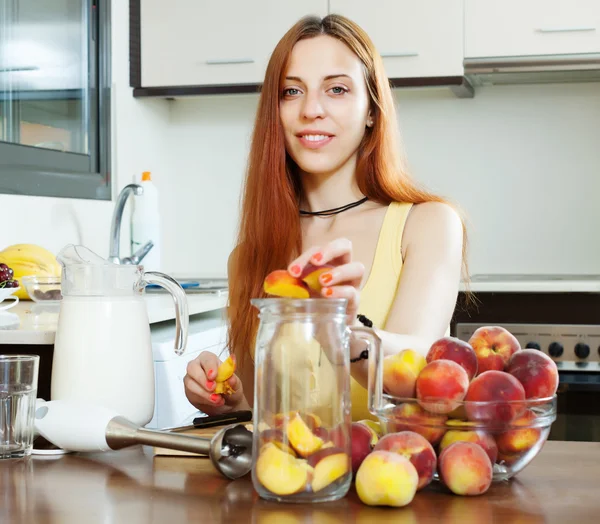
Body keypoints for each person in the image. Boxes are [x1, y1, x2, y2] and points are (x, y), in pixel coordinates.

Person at [184, 14, 468, 421]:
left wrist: (342, 331)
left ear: (372, 109)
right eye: (291, 91)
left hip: (393, 476)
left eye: (336, 89)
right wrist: (230, 401)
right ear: (274, 113)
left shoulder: (428, 225)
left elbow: (417, 374)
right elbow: (262, 414)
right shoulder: (248, 256)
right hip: (292, 483)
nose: (311, 109)